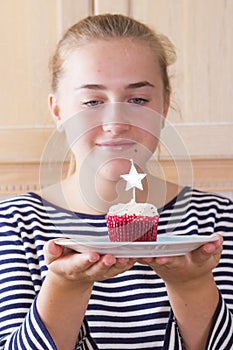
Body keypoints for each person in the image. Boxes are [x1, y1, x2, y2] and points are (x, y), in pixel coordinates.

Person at [0, 13, 232, 350]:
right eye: (93, 101)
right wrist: (66, 287)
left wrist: (193, 285)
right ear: (58, 112)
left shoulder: (218, 223)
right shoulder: (11, 226)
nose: (116, 121)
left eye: (138, 100)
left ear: (164, 107)